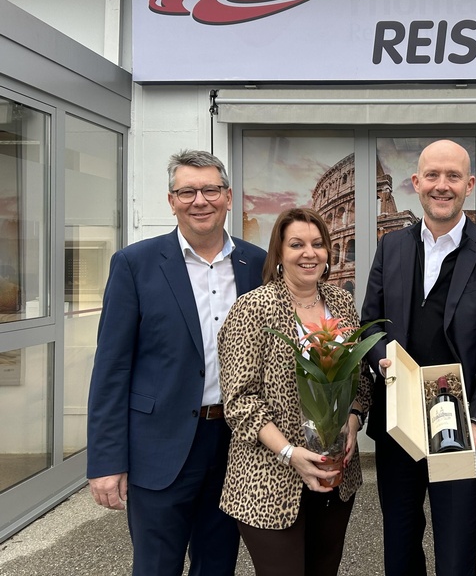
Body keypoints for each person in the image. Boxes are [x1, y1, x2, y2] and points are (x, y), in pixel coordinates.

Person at [86, 149, 267, 575]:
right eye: (187, 191)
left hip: (234, 445)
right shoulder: (135, 264)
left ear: (227, 197)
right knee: (156, 566)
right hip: (160, 445)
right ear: (171, 201)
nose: (199, 200)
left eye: (209, 190)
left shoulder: (256, 264)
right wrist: (107, 461)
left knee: (218, 562)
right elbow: (112, 368)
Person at [361, 139, 476, 576]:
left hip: (459, 423)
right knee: (399, 546)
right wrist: (382, 360)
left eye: (453, 176)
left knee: (456, 552)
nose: (441, 185)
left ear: (469, 185)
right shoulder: (391, 247)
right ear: (416, 183)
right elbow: (370, 325)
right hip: (399, 421)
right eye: (432, 175)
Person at [217, 208, 372, 576]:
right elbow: (239, 400)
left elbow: (360, 379)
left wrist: (352, 421)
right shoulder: (254, 308)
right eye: (297, 244)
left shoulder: (342, 304)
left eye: (318, 244)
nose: (309, 253)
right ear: (279, 253)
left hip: (334, 474)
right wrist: (289, 453)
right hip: (269, 478)